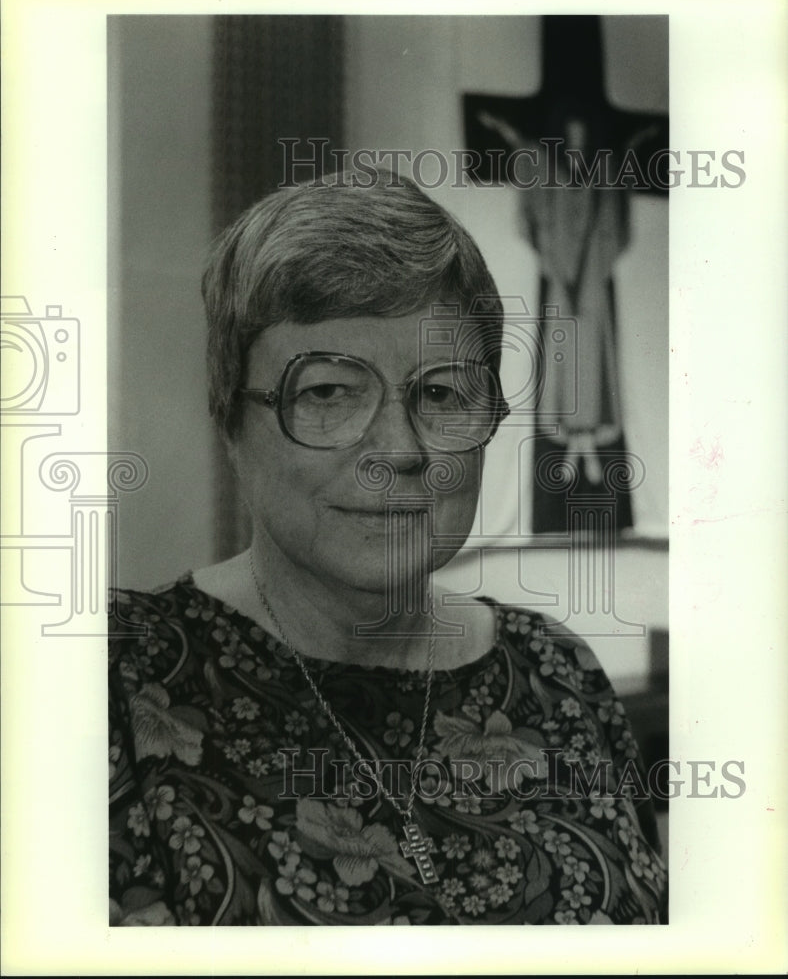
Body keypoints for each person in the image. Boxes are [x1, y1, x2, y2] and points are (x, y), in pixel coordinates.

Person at [108, 169, 666, 926]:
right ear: (231, 423)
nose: (398, 450)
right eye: (329, 392)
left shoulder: (557, 672)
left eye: (441, 394)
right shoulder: (109, 679)